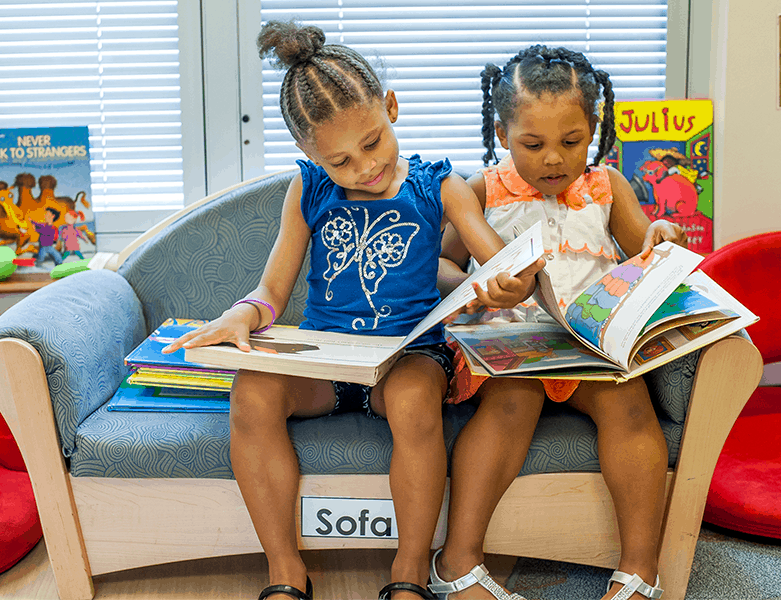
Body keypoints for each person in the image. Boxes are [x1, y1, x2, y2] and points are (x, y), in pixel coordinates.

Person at [163, 21, 541, 600]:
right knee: (253, 391)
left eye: (372, 143)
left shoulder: (440, 185)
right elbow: (272, 288)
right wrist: (244, 313)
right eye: (339, 161)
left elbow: (500, 261)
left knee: (415, 398)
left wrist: (513, 284)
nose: (364, 168)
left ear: (390, 108)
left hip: (408, 357)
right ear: (309, 155)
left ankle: (409, 573)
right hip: (326, 360)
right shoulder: (308, 190)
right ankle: (285, 572)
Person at [432, 45, 688, 600]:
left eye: (571, 142)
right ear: (502, 134)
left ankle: (639, 571)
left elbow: (641, 243)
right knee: (511, 402)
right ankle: (458, 562)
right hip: (510, 344)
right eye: (533, 144)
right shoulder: (481, 190)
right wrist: (472, 287)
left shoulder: (607, 187)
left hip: (589, 344)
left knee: (630, 405)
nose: (554, 158)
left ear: (593, 129)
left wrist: (659, 239)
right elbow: (442, 262)